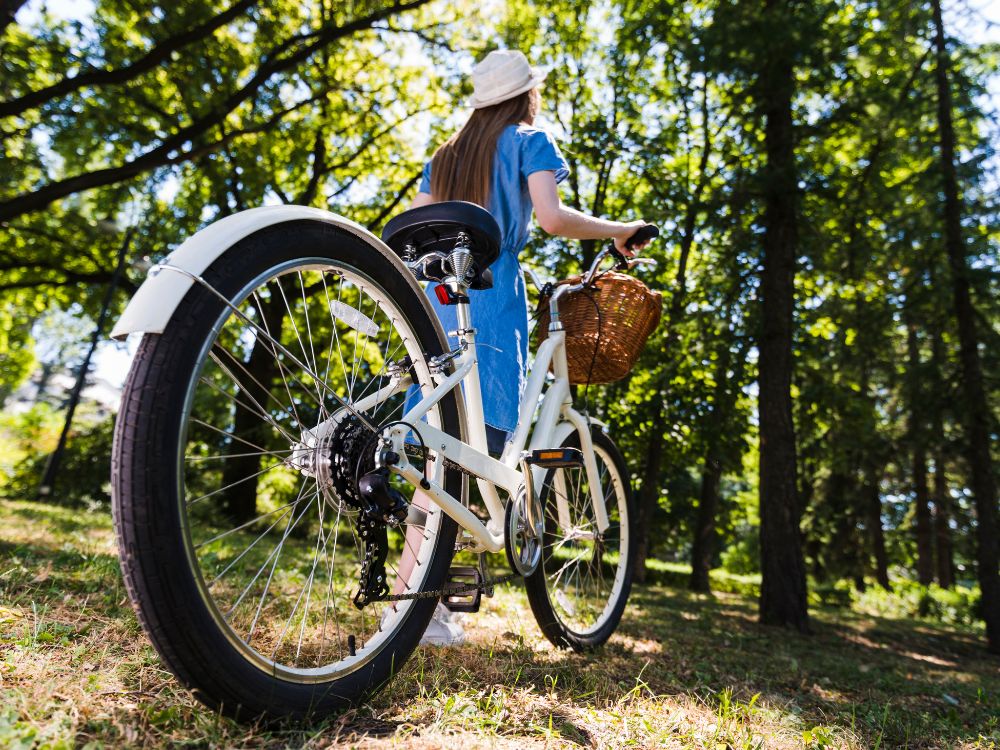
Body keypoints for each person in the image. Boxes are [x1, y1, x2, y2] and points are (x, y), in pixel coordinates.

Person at [393, 49, 652, 646]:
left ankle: (416, 605)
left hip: (434, 296)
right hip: (490, 291)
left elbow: (417, 221)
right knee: (479, 445)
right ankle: (428, 612)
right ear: (523, 95)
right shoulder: (529, 140)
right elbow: (553, 219)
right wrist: (620, 230)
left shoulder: (446, 155)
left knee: (439, 452)